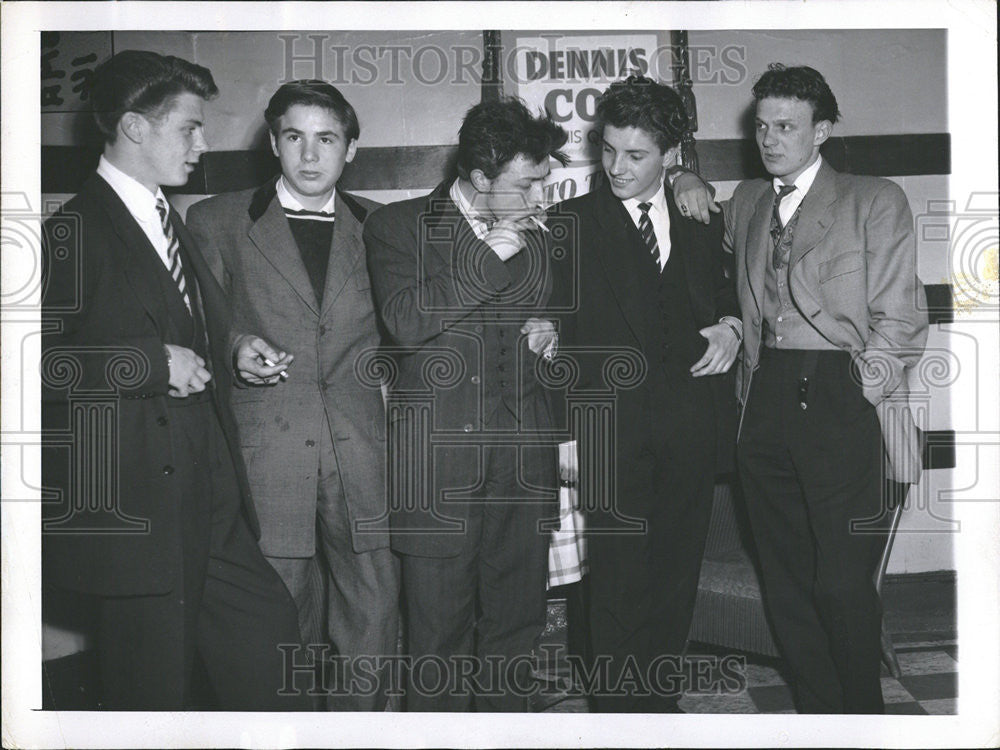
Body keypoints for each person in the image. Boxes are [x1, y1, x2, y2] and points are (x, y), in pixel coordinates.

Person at [41, 50, 309, 710]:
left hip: (210, 498)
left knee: (270, 645)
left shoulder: (168, 219)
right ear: (135, 127)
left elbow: (186, 326)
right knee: (149, 694)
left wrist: (233, 346)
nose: (204, 143)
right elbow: (34, 364)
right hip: (139, 517)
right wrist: (149, 364)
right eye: (189, 127)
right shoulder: (74, 229)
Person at [682, 64, 928, 712]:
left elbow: (902, 318)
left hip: (840, 399)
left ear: (822, 130)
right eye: (762, 127)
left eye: (786, 127)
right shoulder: (749, 201)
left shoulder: (874, 199)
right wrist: (683, 175)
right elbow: (710, 227)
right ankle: (820, 714)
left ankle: (860, 714)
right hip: (762, 405)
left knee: (841, 584)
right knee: (785, 583)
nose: (770, 140)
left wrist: (859, 394)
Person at [186, 80, 398, 711]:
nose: (310, 154)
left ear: (351, 149)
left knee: (374, 615)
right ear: (273, 143)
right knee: (276, 616)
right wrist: (233, 347)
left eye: (326, 138)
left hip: (363, 451)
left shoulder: (382, 227)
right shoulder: (217, 220)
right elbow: (197, 322)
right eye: (294, 137)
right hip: (268, 452)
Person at [363, 98, 567, 711]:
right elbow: (403, 321)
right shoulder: (397, 227)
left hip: (522, 471)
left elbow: (548, 320)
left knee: (515, 635)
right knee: (437, 641)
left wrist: (553, 332)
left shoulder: (539, 236)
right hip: (439, 474)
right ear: (480, 178)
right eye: (526, 185)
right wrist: (490, 257)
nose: (538, 199)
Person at [548, 75, 741, 712]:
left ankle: (658, 700)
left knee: (676, 571)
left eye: (635, 155)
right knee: (615, 580)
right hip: (606, 431)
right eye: (607, 150)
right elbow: (561, 339)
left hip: (689, 424)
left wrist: (733, 325)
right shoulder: (569, 223)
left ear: (671, 155)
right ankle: (615, 710)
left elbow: (728, 296)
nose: (617, 167)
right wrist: (568, 435)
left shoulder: (701, 217)